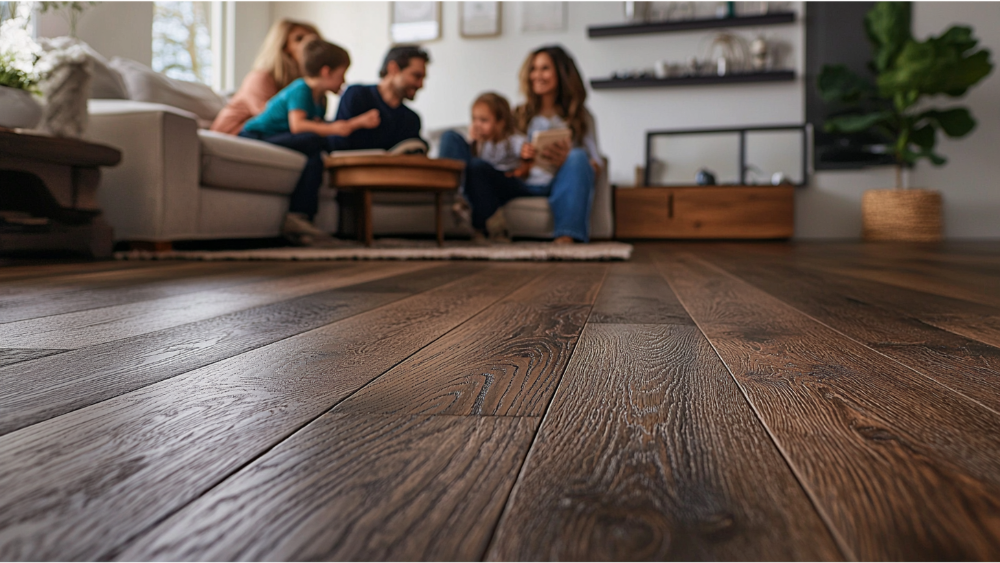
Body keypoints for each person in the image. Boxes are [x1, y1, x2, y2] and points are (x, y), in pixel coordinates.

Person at [447, 45, 602, 244]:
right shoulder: (518, 113)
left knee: (578, 156)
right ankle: (470, 214)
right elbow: (498, 153)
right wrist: (480, 137)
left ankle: (567, 236)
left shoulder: (582, 117)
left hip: (557, 183)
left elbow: (596, 164)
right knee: (475, 166)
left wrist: (567, 160)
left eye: (544, 68)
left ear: (562, 73)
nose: (537, 75)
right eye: (533, 69)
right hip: (519, 181)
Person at [239, 39, 381, 245]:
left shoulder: (321, 100)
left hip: (282, 138)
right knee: (317, 140)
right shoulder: (301, 89)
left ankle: (299, 217)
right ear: (326, 72)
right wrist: (344, 126)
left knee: (315, 159)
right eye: (341, 74)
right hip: (255, 135)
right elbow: (298, 126)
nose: (344, 80)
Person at [439, 92, 530, 242]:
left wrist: (525, 158)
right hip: (482, 184)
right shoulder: (479, 143)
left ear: (501, 122)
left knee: (477, 166)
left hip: (506, 181)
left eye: (483, 120)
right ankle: (458, 200)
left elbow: (525, 154)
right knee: (450, 137)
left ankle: (482, 219)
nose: (477, 124)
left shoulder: (512, 141)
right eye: (474, 119)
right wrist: (471, 142)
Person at [211, 19, 321, 135]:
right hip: (230, 136)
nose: (308, 45)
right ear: (283, 46)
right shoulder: (260, 78)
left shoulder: (304, 86)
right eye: (299, 39)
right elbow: (269, 117)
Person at [328, 45, 429, 151]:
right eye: (416, 76)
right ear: (393, 68)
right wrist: (357, 124)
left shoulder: (411, 119)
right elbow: (335, 144)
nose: (421, 85)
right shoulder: (356, 95)